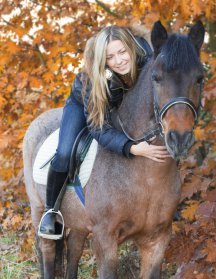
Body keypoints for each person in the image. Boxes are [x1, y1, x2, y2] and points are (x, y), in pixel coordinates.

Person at [38, 25, 170, 239]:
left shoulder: (147, 56)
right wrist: (132, 147)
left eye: (122, 52)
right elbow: (99, 128)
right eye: (111, 57)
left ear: (131, 48)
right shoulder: (92, 80)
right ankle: (51, 212)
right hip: (89, 105)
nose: (119, 61)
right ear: (103, 60)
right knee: (63, 152)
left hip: (125, 102)